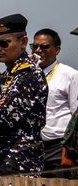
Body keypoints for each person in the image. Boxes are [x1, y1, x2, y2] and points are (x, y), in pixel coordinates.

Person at [0, 14, 48, 176]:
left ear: (23, 42)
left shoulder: (28, 74)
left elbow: (1, 120)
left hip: (18, 163)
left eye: (3, 43)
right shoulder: (9, 75)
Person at [32, 28, 78, 176]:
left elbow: (75, 113)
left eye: (44, 46)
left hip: (58, 147)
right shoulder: (27, 75)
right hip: (32, 148)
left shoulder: (70, 75)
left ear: (57, 50)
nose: (38, 50)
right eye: (35, 46)